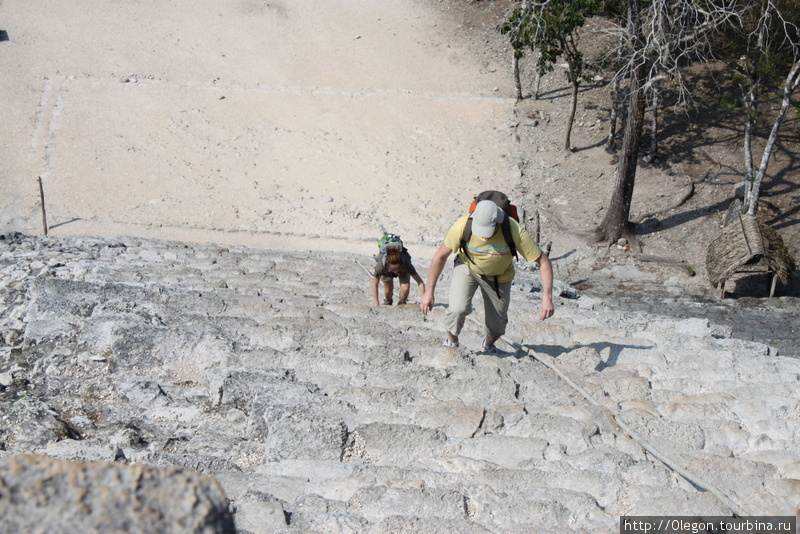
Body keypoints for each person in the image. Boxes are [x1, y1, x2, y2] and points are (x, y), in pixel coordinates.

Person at [419, 199, 554, 352]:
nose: (485, 237)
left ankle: (488, 344)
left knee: (497, 325)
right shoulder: (462, 226)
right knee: (457, 309)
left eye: (489, 230)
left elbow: (544, 262)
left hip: (499, 276)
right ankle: (452, 343)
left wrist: (547, 298)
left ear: (499, 222)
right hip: (468, 268)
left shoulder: (514, 230)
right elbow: (440, 256)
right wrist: (429, 291)